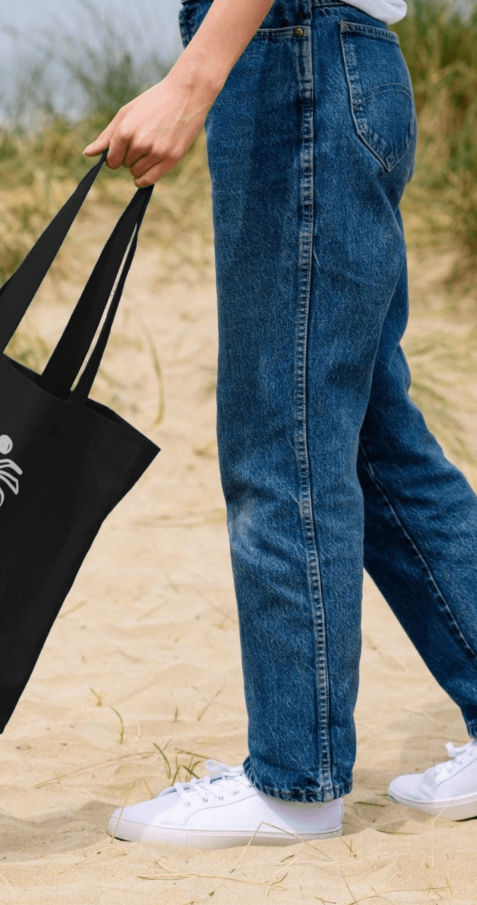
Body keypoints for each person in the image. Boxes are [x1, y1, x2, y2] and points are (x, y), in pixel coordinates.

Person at [83, 0, 477, 849]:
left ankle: (294, 782)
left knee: (283, 440)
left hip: (294, 58)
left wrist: (195, 78)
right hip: (326, 62)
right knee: (374, 445)